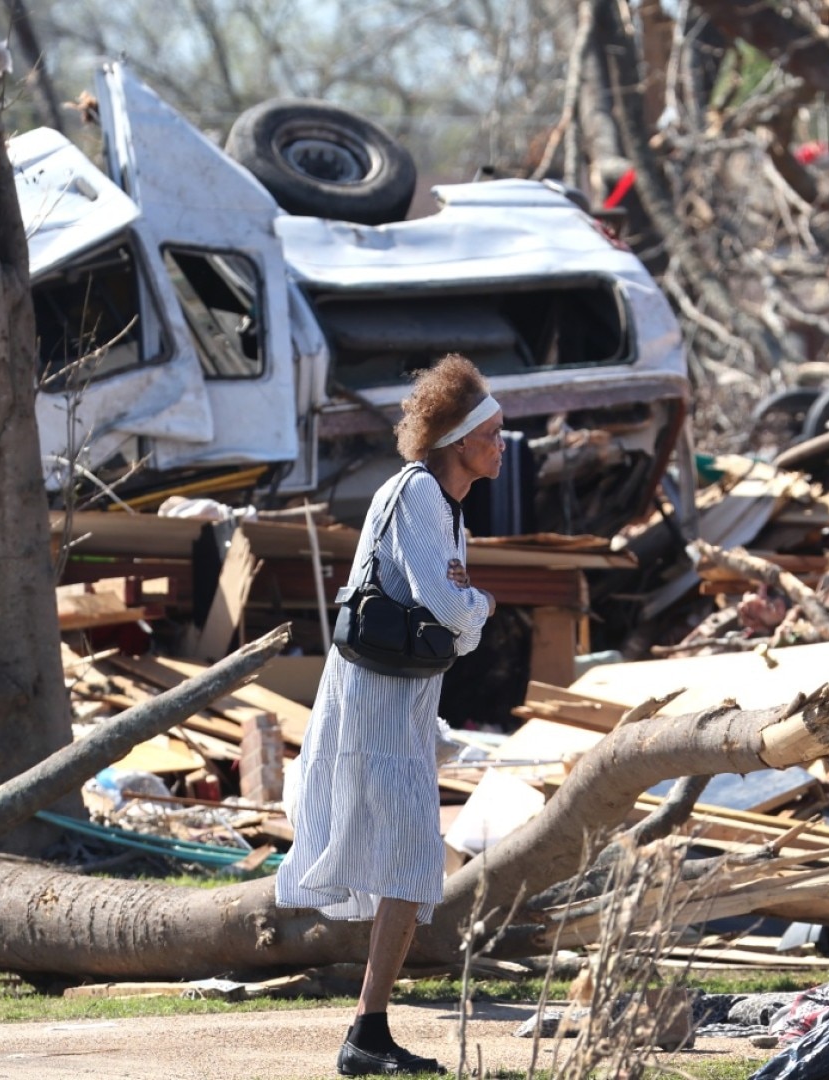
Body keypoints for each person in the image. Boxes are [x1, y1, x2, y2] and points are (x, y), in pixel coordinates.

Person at [276, 354, 505, 1076]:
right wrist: (482, 608)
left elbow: (449, 613)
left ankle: (368, 1030)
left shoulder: (442, 506)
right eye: (493, 433)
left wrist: (463, 610)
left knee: (406, 866)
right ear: (461, 440)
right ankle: (366, 1032)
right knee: (410, 866)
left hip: (398, 701)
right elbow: (450, 609)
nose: (502, 444)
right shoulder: (420, 500)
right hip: (379, 703)